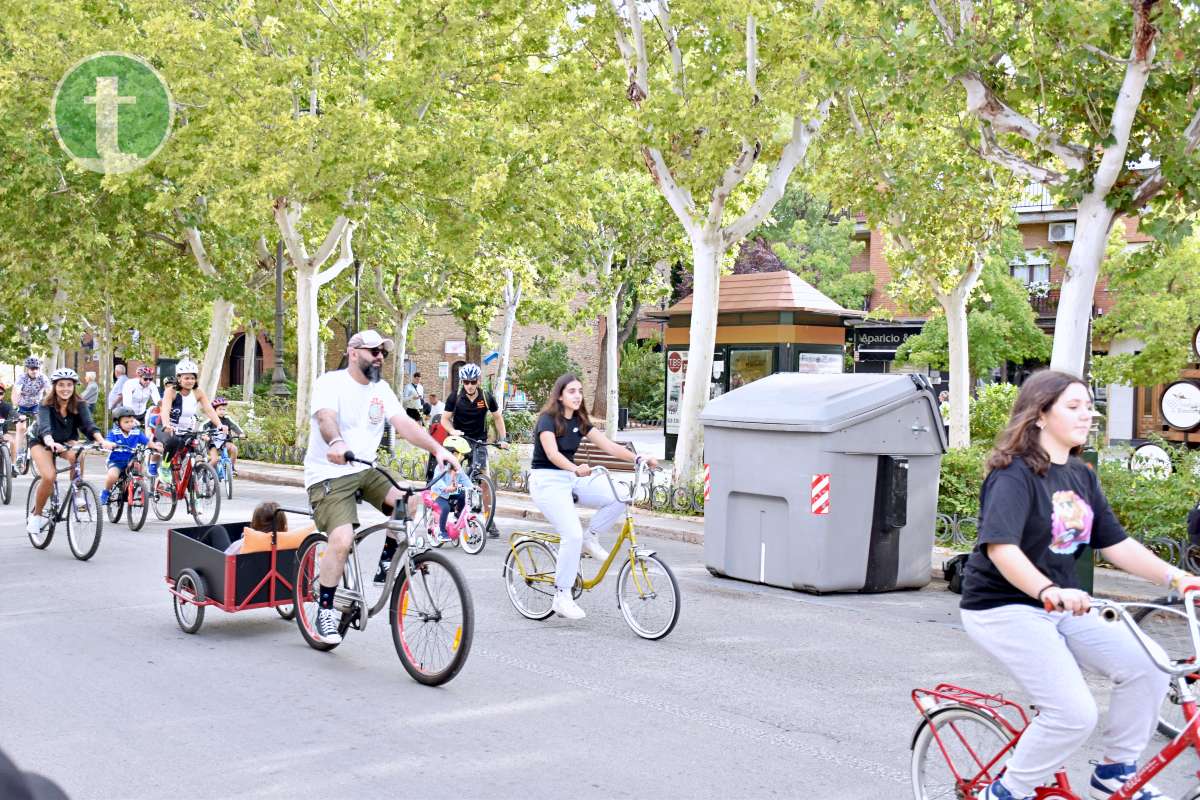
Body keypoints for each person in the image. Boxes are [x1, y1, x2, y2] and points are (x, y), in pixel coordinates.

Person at [960, 369, 1200, 800]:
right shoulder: (1013, 474)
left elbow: (1115, 544)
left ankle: (1114, 771)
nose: (1087, 414)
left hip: (1066, 606)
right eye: (1073, 406)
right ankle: (1005, 792)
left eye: (1089, 405)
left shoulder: (1080, 474)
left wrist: (1179, 577)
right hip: (1004, 607)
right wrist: (1046, 590)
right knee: (1072, 713)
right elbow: (1001, 549)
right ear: (1039, 415)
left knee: (1147, 665)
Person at [304, 329, 458, 644]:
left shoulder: (381, 389)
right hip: (329, 473)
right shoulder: (330, 383)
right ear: (353, 352)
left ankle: (386, 565)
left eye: (383, 352)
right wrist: (336, 441)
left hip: (365, 468)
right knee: (342, 539)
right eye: (373, 351)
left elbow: (404, 424)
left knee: (409, 500)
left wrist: (438, 450)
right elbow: (325, 418)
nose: (379, 357)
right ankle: (325, 610)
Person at [528, 373, 657, 620]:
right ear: (560, 395)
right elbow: (553, 454)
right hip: (546, 481)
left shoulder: (580, 420)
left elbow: (609, 446)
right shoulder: (547, 420)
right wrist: (575, 468)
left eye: (579, 391)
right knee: (571, 534)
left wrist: (639, 458)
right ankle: (561, 596)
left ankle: (592, 537)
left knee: (620, 495)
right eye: (572, 391)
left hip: (570, 478)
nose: (577, 396)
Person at [26, 368, 115, 536]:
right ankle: (36, 515)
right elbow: (44, 426)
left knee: (78, 454)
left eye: (69, 385)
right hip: (41, 440)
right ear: (54, 386)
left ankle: (78, 493)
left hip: (66, 440)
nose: (65, 388)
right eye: (61, 385)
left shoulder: (80, 404)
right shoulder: (45, 404)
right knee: (49, 476)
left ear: (74, 386)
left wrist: (102, 441)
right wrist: (50, 441)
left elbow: (89, 425)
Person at [443, 362, 508, 536]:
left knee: (484, 481)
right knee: (453, 478)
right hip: (459, 441)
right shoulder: (455, 397)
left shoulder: (486, 397)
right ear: (462, 382)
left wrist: (503, 439)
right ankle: (450, 513)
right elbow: (444, 419)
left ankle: (489, 519)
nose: (469, 386)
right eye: (466, 382)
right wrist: (452, 431)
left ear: (478, 381)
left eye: (473, 382)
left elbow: (497, 418)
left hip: (479, 441)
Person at [156, 359, 226, 484]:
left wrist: (219, 424)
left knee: (193, 447)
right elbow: (165, 410)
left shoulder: (198, 392)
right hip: (166, 427)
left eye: (192, 378)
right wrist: (167, 424)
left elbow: (209, 410)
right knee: (174, 441)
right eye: (186, 378)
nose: (190, 381)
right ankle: (165, 467)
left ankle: (190, 484)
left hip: (186, 429)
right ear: (179, 378)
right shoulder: (171, 391)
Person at [101, 406, 163, 505]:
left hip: (130, 460)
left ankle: (139, 487)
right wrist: (109, 444)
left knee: (140, 470)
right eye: (126, 422)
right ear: (118, 423)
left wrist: (155, 446)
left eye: (131, 421)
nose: (130, 424)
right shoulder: (114, 433)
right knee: (113, 475)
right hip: (116, 461)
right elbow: (107, 441)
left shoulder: (137, 432)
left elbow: (147, 442)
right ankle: (105, 492)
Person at [14, 357, 48, 473]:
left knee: (42, 424)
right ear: (27, 369)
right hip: (22, 405)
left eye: (36, 368)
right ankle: (19, 455)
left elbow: (50, 391)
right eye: (32, 368)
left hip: (36, 405)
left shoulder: (42, 378)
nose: (34, 370)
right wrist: (15, 406)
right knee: (21, 428)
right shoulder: (21, 378)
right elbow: (16, 392)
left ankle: (38, 447)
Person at [204, 396, 244, 474]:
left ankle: (231, 467)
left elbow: (235, 427)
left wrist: (241, 433)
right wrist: (205, 435)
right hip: (213, 443)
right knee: (215, 460)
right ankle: (205, 471)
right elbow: (203, 427)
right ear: (214, 411)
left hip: (225, 442)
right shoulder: (211, 420)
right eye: (220, 409)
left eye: (224, 409)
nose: (222, 411)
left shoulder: (227, 420)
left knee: (234, 449)